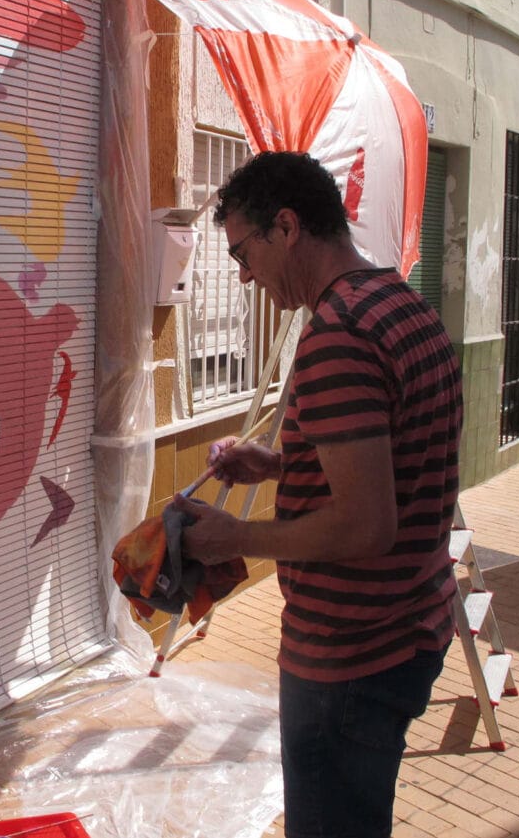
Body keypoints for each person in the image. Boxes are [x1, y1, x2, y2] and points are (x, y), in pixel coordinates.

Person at [172, 151, 462, 838]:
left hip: (349, 657)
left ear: (288, 226)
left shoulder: (339, 337)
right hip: (412, 625)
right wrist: (278, 464)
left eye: (244, 253)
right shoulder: (402, 306)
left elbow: (366, 525)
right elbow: (388, 461)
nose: (244, 275)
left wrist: (235, 536)